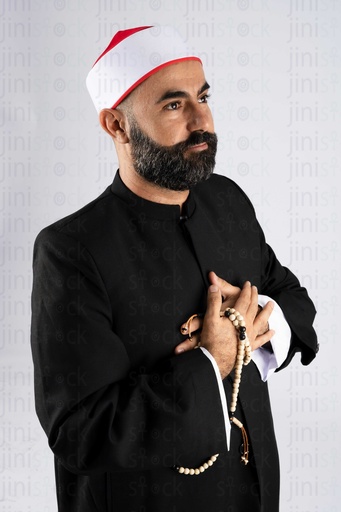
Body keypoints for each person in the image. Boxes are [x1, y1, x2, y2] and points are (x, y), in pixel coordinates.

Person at [31, 25, 318, 512]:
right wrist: (214, 360)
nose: (202, 120)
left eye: (203, 97)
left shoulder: (227, 201)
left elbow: (290, 295)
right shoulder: (71, 249)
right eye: (173, 105)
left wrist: (259, 321)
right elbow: (81, 432)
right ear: (117, 125)